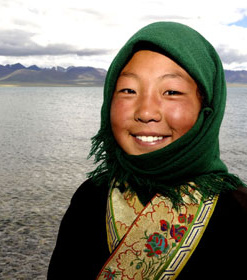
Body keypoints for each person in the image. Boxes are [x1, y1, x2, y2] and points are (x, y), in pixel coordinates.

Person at [47, 21, 247, 279]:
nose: (146, 112)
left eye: (172, 92)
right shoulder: (91, 198)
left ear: (206, 108)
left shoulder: (239, 214)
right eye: (128, 90)